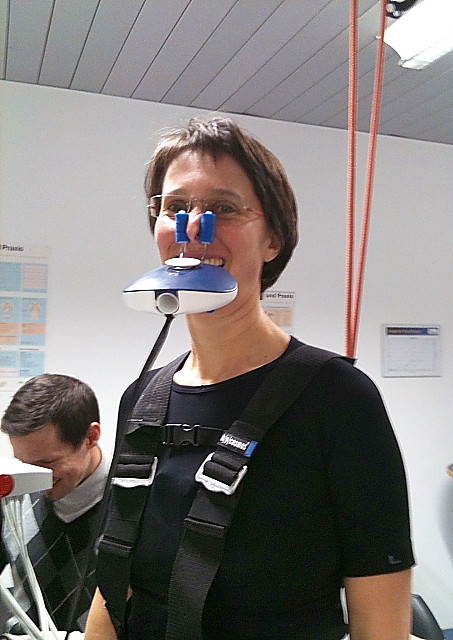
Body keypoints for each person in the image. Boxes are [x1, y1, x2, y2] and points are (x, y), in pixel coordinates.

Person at [86, 116, 415, 640]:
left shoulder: (338, 399)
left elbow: (382, 624)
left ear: (273, 240)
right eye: (175, 207)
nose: (194, 227)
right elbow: (116, 581)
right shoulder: (143, 398)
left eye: (223, 208)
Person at [0, 373, 109, 634]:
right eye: (23, 463)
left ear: (91, 437)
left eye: (47, 463)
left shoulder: (135, 506)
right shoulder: (14, 495)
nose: (35, 477)